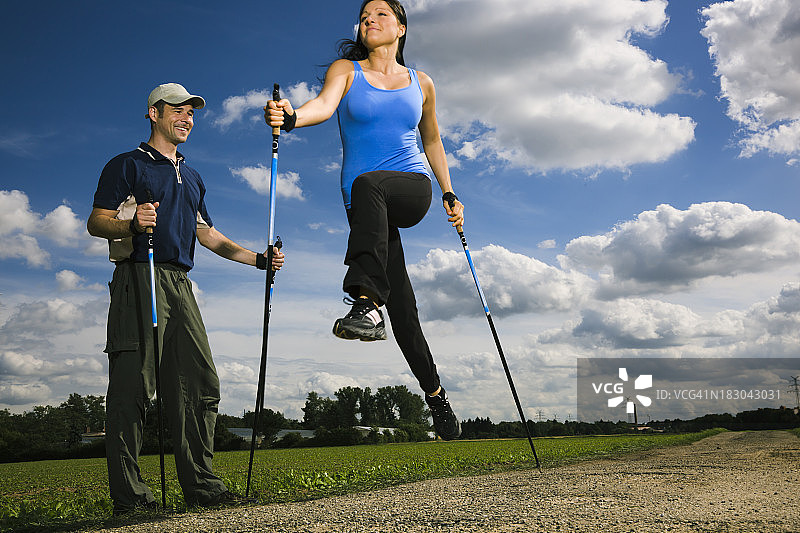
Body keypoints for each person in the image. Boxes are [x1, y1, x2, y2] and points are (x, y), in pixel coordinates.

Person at [265, 0, 463, 440]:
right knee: (405, 311)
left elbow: (432, 139)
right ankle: (437, 398)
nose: (369, 20)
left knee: (370, 186)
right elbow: (321, 105)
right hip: (365, 207)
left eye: (381, 14)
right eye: (364, 16)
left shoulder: (421, 82)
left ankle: (366, 302)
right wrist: (293, 117)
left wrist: (450, 192)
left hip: (410, 186)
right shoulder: (346, 71)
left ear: (401, 27)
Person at [88, 83, 285, 515]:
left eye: (192, 112)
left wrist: (258, 260)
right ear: (154, 113)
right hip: (140, 275)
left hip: (180, 283)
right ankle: (131, 499)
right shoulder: (127, 164)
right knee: (133, 389)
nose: (187, 118)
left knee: (199, 383)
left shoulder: (192, 176)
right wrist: (132, 225)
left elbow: (207, 234)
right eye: (178, 110)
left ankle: (202, 488)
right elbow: (97, 222)